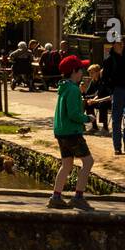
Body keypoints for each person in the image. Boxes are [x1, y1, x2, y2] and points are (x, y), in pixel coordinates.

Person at [48, 55, 93, 209]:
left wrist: (81, 97)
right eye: (81, 69)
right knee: (88, 162)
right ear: (74, 71)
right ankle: (78, 197)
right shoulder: (73, 89)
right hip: (72, 132)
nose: (82, 72)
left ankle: (56, 196)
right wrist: (88, 118)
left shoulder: (64, 87)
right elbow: (74, 114)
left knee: (67, 164)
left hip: (61, 132)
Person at [101, 36, 125, 155]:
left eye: (122, 43)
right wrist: (112, 90)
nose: (121, 45)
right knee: (116, 119)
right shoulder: (109, 60)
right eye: (118, 43)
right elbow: (105, 78)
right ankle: (117, 147)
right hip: (118, 91)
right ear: (113, 45)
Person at [81, 62, 111, 134]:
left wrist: (93, 99)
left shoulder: (103, 81)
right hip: (98, 100)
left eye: (92, 72)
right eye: (89, 73)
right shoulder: (93, 81)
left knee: (102, 104)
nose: (90, 74)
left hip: (108, 101)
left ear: (98, 72)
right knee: (87, 103)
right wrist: (82, 91)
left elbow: (100, 94)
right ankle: (94, 126)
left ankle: (105, 128)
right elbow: (88, 94)